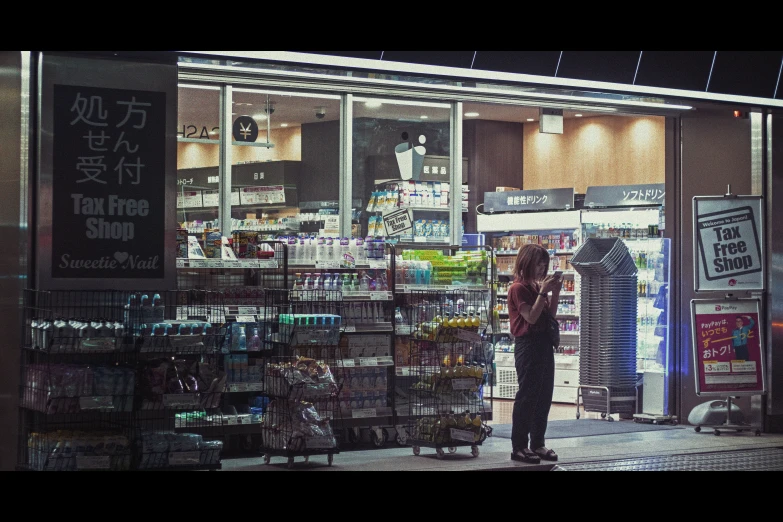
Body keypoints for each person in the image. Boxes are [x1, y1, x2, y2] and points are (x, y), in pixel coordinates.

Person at [507, 243, 562, 464]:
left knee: (544, 396)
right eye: (539, 263)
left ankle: (537, 443)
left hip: (543, 343)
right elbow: (530, 316)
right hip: (527, 345)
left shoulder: (536, 287)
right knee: (528, 396)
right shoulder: (518, 288)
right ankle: (519, 445)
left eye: (545, 264)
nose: (542, 268)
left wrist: (554, 292)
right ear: (527, 262)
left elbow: (549, 315)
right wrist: (542, 293)